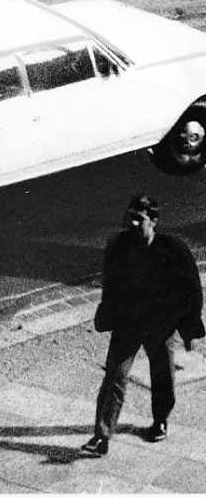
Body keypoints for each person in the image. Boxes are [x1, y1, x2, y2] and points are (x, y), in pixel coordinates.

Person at [84, 194, 203, 455]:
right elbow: (111, 285)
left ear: (154, 221)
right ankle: (102, 436)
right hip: (127, 322)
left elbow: (191, 289)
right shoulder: (119, 245)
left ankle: (160, 420)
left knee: (162, 374)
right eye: (130, 217)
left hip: (160, 324)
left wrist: (189, 329)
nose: (133, 224)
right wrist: (107, 314)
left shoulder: (173, 249)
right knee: (115, 376)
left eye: (140, 219)